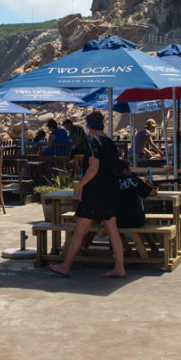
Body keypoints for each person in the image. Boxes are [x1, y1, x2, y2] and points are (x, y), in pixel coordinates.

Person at [49, 111, 126, 278]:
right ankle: (119, 267)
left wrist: (82, 185)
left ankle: (66, 265)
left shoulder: (92, 142)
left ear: (88, 126)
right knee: (112, 229)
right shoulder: (110, 143)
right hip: (111, 188)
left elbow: (93, 168)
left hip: (95, 190)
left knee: (80, 228)